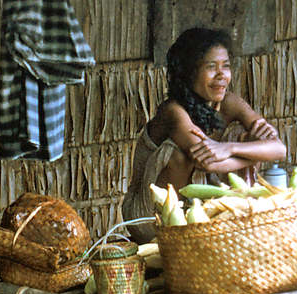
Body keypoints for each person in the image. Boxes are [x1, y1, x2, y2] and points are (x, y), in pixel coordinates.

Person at [122, 27, 287, 243]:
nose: (221, 75)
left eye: (225, 66)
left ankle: (218, 216)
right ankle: (175, 231)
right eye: (211, 67)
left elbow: (279, 149)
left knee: (243, 135)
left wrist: (230, 148)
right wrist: (253, 154)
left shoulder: (229, 102)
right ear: (189, 72)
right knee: (180, 155)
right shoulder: (173, 111)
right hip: (147, 217)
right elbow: (208, 162)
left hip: (197, 210)